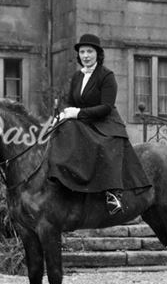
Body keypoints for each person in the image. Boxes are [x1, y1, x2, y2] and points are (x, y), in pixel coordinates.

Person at [48, 33, 151, 214]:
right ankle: (64, 181)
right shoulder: (77, 77)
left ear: (97, 54)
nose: (86, 56)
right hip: (83, 120)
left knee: (103, 145)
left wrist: (78, 113)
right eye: (82, 52)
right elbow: (70, 101)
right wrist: (64, 113)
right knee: (62, 132)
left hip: (106, 122)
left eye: (89, 51)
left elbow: (106, 106)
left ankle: (113, 194)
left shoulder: (106, 75)